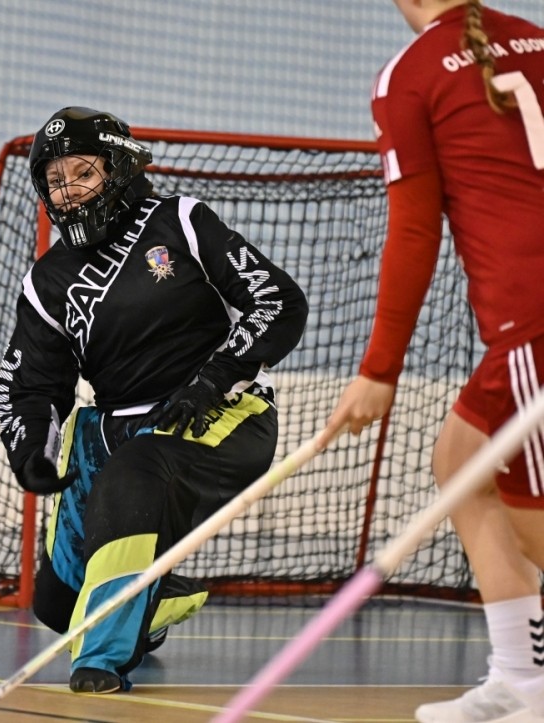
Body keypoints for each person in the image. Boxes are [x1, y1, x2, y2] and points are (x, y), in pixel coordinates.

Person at [0, 106, 309, 694]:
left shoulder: (181, 221)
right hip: (113, 430)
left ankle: (101, 661)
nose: (69, 191)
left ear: (118, 168)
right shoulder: (46, 282)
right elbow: (30, 384)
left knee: (133, 474)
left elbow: (278, 301)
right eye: (55, 181)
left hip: (220, 412)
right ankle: (157, 597)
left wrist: (214, 379)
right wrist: (30, 448)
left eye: (83, 173)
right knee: (59, 607)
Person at [317, 2, 544, 721]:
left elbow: (415, 231)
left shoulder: (409, 75)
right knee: (461, 461)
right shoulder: (537, 38)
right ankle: (522, 679)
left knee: (532, 515)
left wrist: (379, 370)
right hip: (528, 324)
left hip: (532, 315)